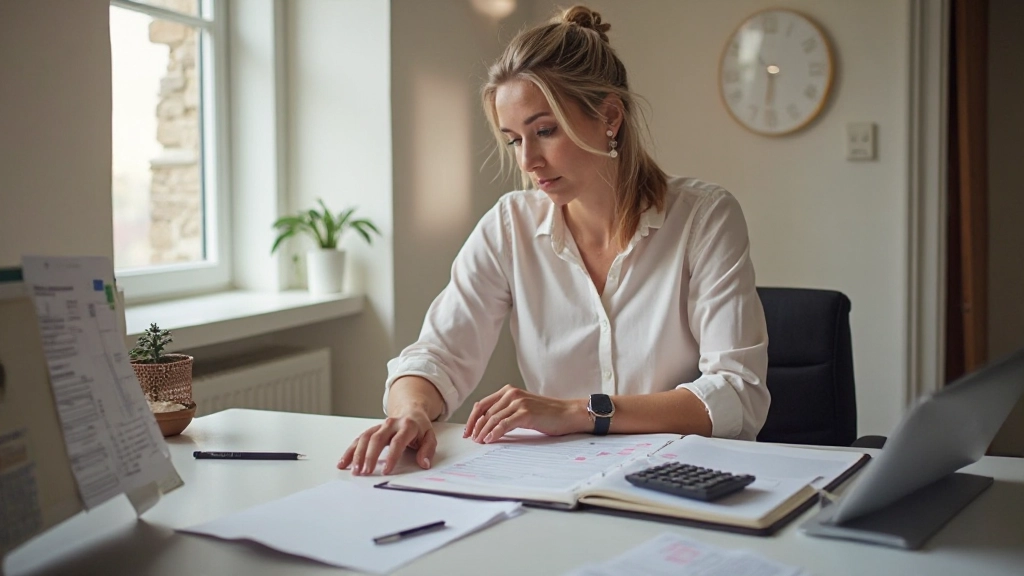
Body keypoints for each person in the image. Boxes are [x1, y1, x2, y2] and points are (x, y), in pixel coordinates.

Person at [339, 5, 769, 477]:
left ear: (609, 117)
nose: (528, 161)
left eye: (544, 131)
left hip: (684, 479)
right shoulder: (510, 226)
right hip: (560, 484)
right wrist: (411, 411)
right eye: (513, 140)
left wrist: (577, 412)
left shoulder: (704, 218)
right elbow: (437, 354)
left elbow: (737, 392)